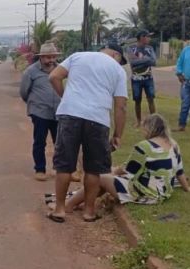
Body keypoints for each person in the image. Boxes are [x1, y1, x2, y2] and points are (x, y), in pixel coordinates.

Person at [46, 43, 128, 223]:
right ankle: (89, 211)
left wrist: (66, 96)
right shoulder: (118, 71)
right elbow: (121, 106)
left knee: (64, 164)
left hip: (70, 114)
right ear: (115, 55)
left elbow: (54, 77)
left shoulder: (77, 56)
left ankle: (60, 209)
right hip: (98, 119)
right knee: (94, 168)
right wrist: (117, 134)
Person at [57, 114, 190, 212]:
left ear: (149, 128)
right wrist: (187, 188)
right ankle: (81, 202)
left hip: (147, 194)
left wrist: (110, 172)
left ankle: (69, 205)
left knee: (100, 178)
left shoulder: (145, 146)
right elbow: (180, 172)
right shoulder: (173, 144)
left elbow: (127, 171)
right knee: (105, 178)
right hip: (164, 192)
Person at [19, 42, 62, 181]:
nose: (50, 60)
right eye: (47, 57)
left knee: (60, 142)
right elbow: (24, 92)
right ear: (41, 57)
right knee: (40, 141)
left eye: (53, 57)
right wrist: (34, 105)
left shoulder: (61, 70)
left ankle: (58, 168)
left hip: (59, 111)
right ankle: (40, 169)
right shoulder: (31, 71)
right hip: (40, 112)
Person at [127, 30, 157, 127]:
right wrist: (146, 60)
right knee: (137, 100)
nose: (149, 39)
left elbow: (153, 62)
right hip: (136, 79)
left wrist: (139, 60)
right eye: (148, 36)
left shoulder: (150, 48)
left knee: (151, 99)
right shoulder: (131, 48)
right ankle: (138, 121)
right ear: (142, 37)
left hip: (148, 78)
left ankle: (153, 121)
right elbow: (132, 63)